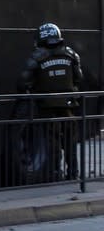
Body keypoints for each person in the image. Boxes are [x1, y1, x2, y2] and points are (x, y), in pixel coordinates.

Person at [17, 23, 83, 181]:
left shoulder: (37, 57)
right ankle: (73, 173)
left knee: (51, 142)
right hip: (68, 105)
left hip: (46, 106)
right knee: (70, 142)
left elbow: (22, 82)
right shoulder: (71, 54)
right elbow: (79, 77)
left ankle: (55, 173)